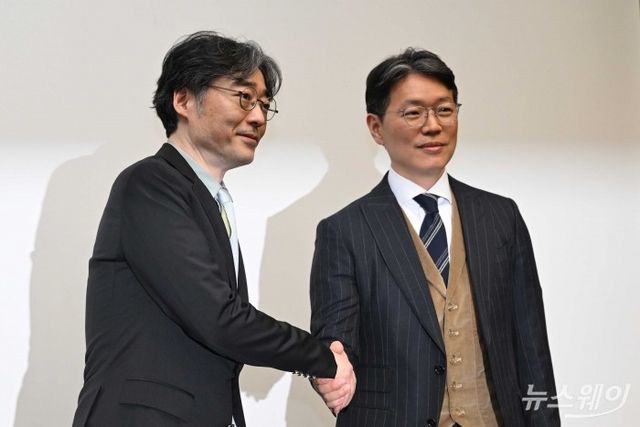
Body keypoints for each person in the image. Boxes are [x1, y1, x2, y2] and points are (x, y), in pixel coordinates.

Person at [72, 31, 355, 427]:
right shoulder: (150, 183)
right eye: (244, 97)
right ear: (183, 100)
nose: (257, 117)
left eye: (264, 104)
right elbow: (220, 318)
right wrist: (321, 359)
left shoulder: (210, 199)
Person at [310, 48, 559, 426]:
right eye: (413, 113)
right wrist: (327, 368)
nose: (432, 126)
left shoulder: (500, 216)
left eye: (444, 110)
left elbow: (532, 348)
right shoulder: (344, 231)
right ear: (376, 127)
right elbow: (337, 346)